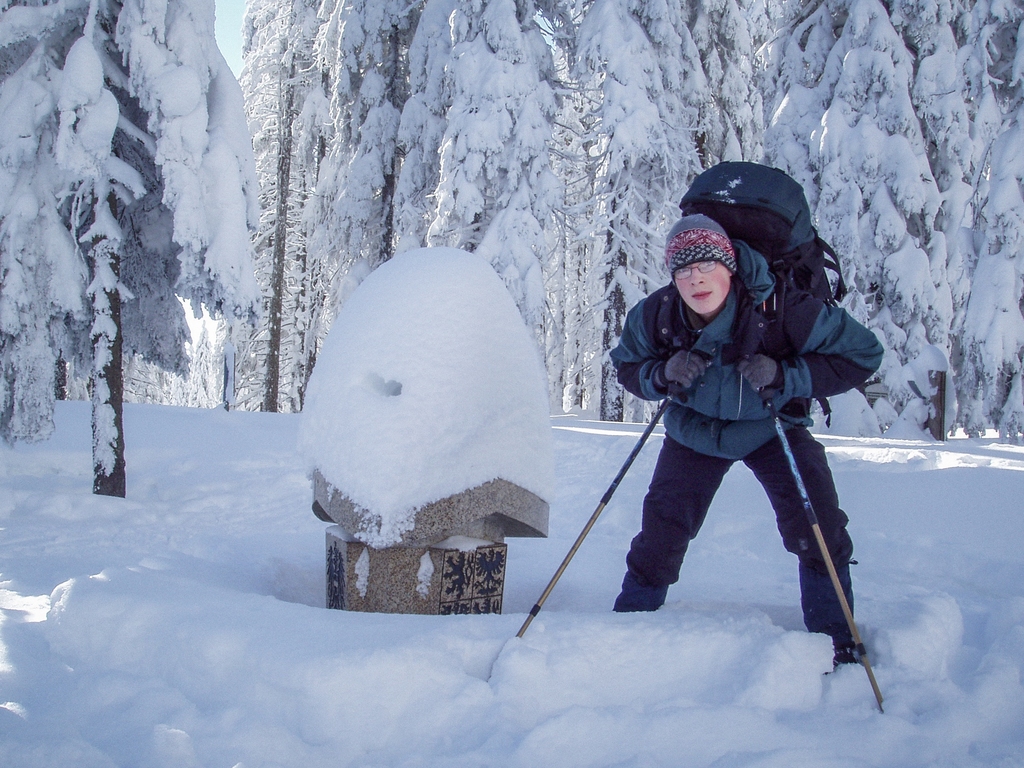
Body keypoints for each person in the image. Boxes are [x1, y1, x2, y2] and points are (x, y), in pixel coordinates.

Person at [609, 214, 883, 666]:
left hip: (770, 426)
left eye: (707, 265)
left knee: (817, 525)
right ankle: (627, 629)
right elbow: (626, 364)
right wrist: (660, 374)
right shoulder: (658, 314)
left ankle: (838, 641)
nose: (696, 279)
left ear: (729, 266)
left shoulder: (784, 309)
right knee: (662, 531)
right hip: (695, 429)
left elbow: (865, 352)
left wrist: (787, 375)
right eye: (683, 269)